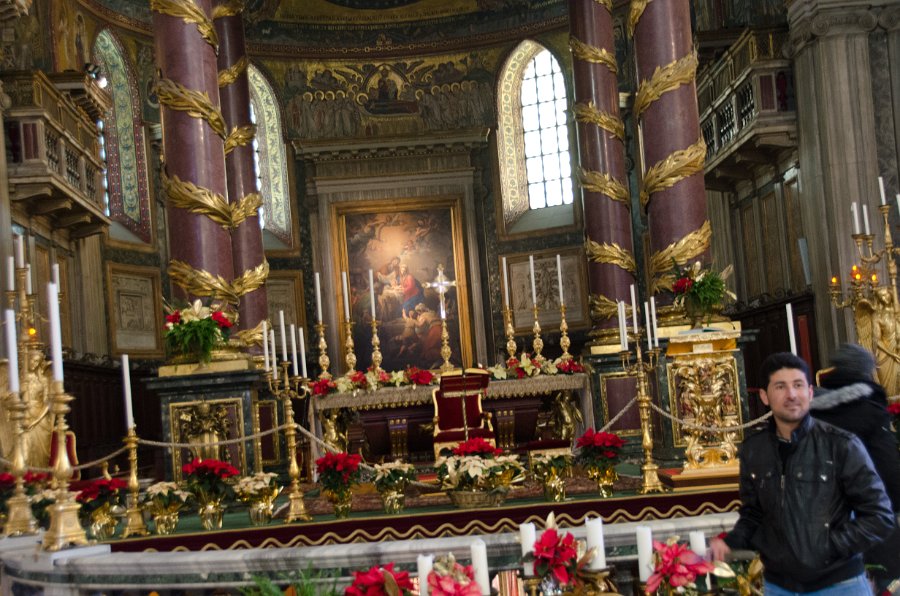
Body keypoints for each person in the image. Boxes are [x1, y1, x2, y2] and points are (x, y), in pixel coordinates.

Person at [710, 352, 894, 594]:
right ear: (764, 396)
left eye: (798, 385)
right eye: (780, 386)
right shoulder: (754, 450)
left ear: (810, 392)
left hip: (839, 585)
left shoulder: (842, 445)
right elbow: (754, 514)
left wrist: (829, 547)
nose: (791, 394)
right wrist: (730, 542)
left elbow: (879, 516)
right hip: (780, 586)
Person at [812, 344, 900, 592]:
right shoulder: (870, 410)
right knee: (886, 580)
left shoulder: (814, 411)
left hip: (827, 516)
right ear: (865, 372)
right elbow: (886, 463)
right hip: (870, 510)